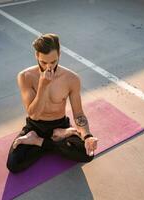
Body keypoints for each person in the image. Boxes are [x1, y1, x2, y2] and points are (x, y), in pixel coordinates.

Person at [6, 33, 98, 173]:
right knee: (14, 164)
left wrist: (87, 136)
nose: (49, 67)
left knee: (87, 154)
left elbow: (78, 113)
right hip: (35, 126)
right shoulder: (25, 76)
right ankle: (48, 140)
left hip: (60, 124)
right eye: (43, 62)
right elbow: (34, 114)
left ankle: (40, 141)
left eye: (53, 62)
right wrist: (43, 86)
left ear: (59, 54)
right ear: (37, 55)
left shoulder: (71, 78)